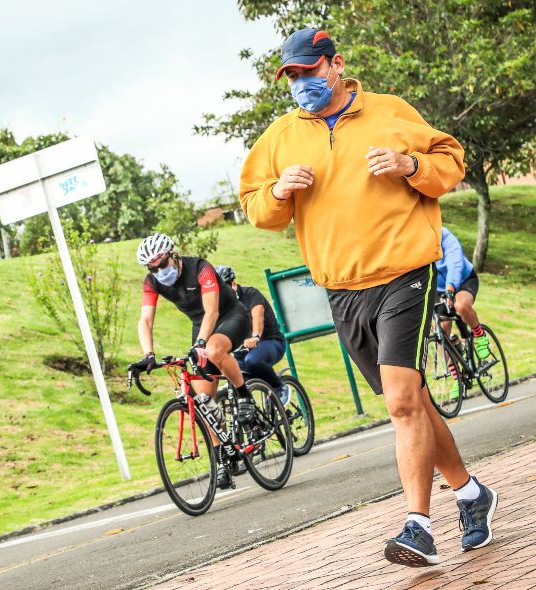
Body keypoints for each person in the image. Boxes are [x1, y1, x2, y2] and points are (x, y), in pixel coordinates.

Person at [239, 28, 498, 567]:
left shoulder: (389, 112)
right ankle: (472, 494)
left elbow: (450, 161)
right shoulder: (280, 137)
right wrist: (279, 190)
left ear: (335, 65)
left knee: (402, 401)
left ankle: (418, 527)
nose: (302, 83)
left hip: (406, 271)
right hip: (342, 288)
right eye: (292, 76)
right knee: (416, 402)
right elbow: (256, 208)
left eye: (309, 71)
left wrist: (411, 167)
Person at [132, 233, 253, 489]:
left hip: (230, 316)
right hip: (201, 326)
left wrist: (199, 344)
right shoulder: (152, 282)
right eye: (152, 268)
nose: (158, 271)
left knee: (213, 351)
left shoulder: (200, 268)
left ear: (173, 256)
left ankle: (244, 395)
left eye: (162, 264)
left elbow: (212, 311)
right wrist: (148, 355)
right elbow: (145, 320)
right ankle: (223, 459)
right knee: (204, 402)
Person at [214, 265, 291, 404]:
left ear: (234, 284)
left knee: (253, 360)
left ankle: (279, 387)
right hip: (241, 350)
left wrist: (255, 336)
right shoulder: (222, 306)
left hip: (270, 342)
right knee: (231, 375)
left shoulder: (250, 294)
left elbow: (258, 315)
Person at [434, 227, 491, 399]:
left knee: (461, 305)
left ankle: (479, 335)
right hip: (439, 290)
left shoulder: (443, 235)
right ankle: (457, 378)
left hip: (462, 280)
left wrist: (451, 288)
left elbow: (455, 262)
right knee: (440, 332)